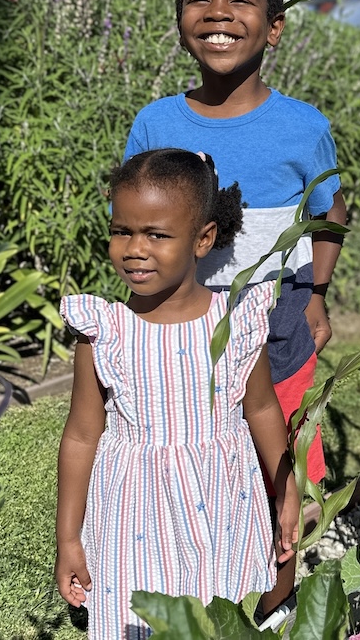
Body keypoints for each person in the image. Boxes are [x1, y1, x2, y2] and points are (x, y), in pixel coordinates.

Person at [122, 0, 348, 615]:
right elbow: (138, 222)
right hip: (183, 329)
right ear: (182, 23)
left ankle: (279, 601)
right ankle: (183, 590)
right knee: (189, 463)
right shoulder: (155, 123)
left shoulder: (302, 127)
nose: (218, 12)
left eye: (240, 0)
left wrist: (316, 292)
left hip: (276, 327)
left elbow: (331, 209)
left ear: (274, 27)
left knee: (280, 468)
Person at [55, 148, 298, 639]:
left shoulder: (234, 321)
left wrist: (287, 492)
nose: (134, 248)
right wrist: (68, 538)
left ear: (203, 238)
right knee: (143, 620)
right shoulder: (104, 331)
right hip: (133, 511)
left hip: (220, 500)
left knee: (219, 615)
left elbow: (263, 409)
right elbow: (82, 437)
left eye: (157, 234)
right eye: (121, 230)